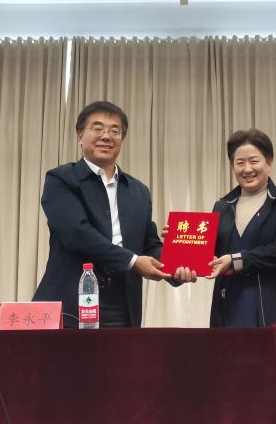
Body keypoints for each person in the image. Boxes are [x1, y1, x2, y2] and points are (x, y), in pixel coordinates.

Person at [33, 100, 183, 328]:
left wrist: (177, 264)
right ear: (80, 136)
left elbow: (149, 244)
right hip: (71, 305)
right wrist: (133, 261)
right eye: (98, 128)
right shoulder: (61, 179)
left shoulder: (139, 191)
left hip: (123, 307)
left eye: (115, 131)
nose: (106, 136)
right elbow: (76, 233)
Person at [207, 129, 276, 327]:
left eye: (254, 161)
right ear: (232, 166)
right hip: (230, 307)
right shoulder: (222, 206)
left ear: (269, 163)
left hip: (274, 307)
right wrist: (179, 242)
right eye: (240, 163)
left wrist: (237, 261)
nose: (247, 169)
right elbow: (208, 255)